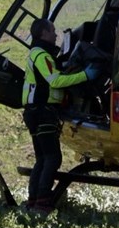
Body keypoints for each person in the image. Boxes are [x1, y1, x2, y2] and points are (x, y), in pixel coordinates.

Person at [22, 19, 99, 214]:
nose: (56, 35)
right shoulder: (41, 55)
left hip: (35, 112)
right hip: (42, 112)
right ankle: (42, 201)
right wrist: (85, 75)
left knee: (42, 158)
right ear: (43, 34)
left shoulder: (38, 54)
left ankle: (33, 201)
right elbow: (55, 81)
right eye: (52, 31)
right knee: (52, 158)